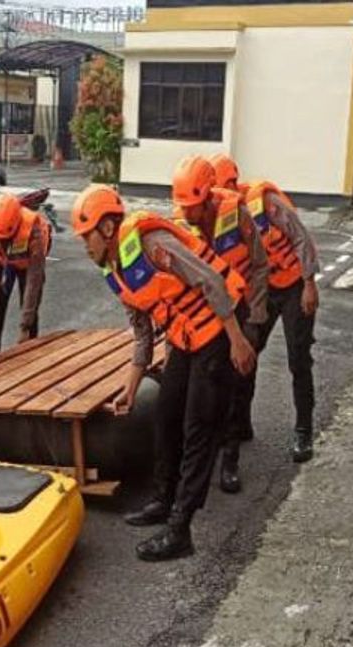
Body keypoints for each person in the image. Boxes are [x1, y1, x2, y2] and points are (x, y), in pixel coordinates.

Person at [71, 185, 256, 562]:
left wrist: (238, 339)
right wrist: (130, 387)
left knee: (197, 429)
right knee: (166, 416)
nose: (83, 246)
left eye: (85, 236)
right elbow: (142, 331)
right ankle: (162, 499)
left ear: (107, 228)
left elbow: (210, 280)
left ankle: (180, 528)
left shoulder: (151, 241)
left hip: (220, 330)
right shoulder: (116, 270)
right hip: (186, 339)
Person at [209, 153, 321, 482]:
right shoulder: (226, 214)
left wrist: (310, 285)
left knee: (298, 360)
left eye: (221, 189)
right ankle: (240, 423)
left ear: (232, 183)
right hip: (265, 288)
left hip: (294, 286)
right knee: (248, 353)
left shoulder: (265, 201)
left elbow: (301, 238)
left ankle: (303, 430)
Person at [170, 156, 269, 494]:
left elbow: (259, 265)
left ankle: (229, 460)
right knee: (197, 395)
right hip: (202, 322)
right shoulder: (181, 223)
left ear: (209, 197)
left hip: (240, 312)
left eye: (193, 206)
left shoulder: (237, 214)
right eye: (182, 205)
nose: (186, 214)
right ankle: (197, 462)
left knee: (236, 389)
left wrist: (255, 318)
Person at [0, 194, 49, 356]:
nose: (2, 242)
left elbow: (33, 281)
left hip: (28, 264)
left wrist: (25, 325)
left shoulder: (33, 230)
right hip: (0, 261)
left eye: (6, 239)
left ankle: (29, 356)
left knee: (30, 307)